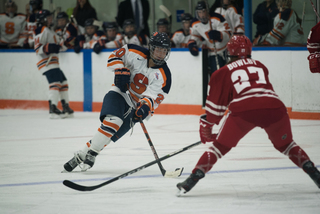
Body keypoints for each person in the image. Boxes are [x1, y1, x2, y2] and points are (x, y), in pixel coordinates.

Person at [176, 35, 320, 195]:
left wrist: (207, 129)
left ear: (229, 52)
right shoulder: (260, 66)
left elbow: (215, 111)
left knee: (219, 148)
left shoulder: (222, 72)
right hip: (275, 108)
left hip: (244, 111)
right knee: (288, 145)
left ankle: (192, 180)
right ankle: (314, 173)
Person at [63, 32, 172, 172]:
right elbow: (114, 57)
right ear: (151, 48)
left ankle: (81, 155)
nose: (160, 54)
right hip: (119, 92)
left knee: (109, 135)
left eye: (164, 51)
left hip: (136, 106)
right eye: (158, 49)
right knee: (113, 122)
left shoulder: (165, 76)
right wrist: (121, 69)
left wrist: (144, 108)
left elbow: (153, 98)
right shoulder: (133, 51)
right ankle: (93, 152)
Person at [33, 9, 74, 119]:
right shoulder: (41, 30)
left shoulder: (51, 31)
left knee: (64, 82)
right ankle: (53, 108)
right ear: (44, 19)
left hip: (54, 63)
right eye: (50, 17)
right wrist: (49, 47)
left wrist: (68, 42)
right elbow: (37, 48)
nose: (52, 19)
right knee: (55, 83)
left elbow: (61, 46)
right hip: (46, 63)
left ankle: (65, 107)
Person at [188, 1, 232, 74]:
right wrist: (192, 44)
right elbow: (195, 37)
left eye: (203, 12)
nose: (202, 15)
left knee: (224, 75)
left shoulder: (217, 18)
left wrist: (219, 35)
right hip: (209, 54)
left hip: (224, 52)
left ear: (207, 11)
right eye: (199, 12)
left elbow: (229, 34)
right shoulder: (194, 23)